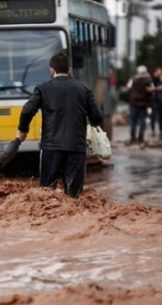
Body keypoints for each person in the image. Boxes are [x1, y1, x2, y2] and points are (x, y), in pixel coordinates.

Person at [17, 52, 103, 198]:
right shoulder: (84, 89)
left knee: (46, 195)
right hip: (76, 148)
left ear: (51, 70)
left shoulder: (43, 88)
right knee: (74, 196)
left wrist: (23, 130)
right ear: (69, 70)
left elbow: (27, 110)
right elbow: (97, 118)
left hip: (51, 149)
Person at [126, 65, 154, 145]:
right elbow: (152, 89)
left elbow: (128, 88)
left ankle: (132, 138)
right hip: (144, 103)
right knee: (142, 121)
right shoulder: (149, 80)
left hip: (134, 103)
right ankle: (140, 138)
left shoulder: (133, 79)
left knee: (133, 121)